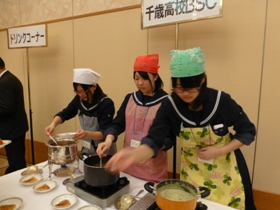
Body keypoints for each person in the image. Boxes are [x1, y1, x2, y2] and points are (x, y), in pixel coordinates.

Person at [104, 47, 256, 210]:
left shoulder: (221, 101)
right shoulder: (170, 106)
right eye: (179, 87)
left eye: (190, 87)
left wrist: (220, 150)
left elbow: (247, 131)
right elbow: (155, 139)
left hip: (226, 170)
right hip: (193, 172)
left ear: (203, 79)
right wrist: (133, 154)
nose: (184, 94)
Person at [97, 54, 174, 182]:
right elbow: (117, 124)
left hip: (151, 168)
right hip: (128, 166)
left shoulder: (166, 102)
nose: (139, 83)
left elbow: (170, 138)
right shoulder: (130, 99)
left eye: (144, 79)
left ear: (155, 77)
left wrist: (148, 150)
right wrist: (108, 140)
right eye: (136, 78)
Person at [45, 68, 116, 155]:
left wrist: (86, 134)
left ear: (94, 86)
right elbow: (65, 113)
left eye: (83, 91)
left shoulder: (106, 104)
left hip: (104, 149)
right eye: (77, 92)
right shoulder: (79, 100)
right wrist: (53, 124)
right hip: (87, 148)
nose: (80, 95)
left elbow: (104, 133)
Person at [0, 57, 29, 174]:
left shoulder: (4, 82)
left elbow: (7, 108)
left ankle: (19, 184)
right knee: (16, 158)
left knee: (16, 161)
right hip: (16, 127)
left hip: (12, 129)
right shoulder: (10, 78)